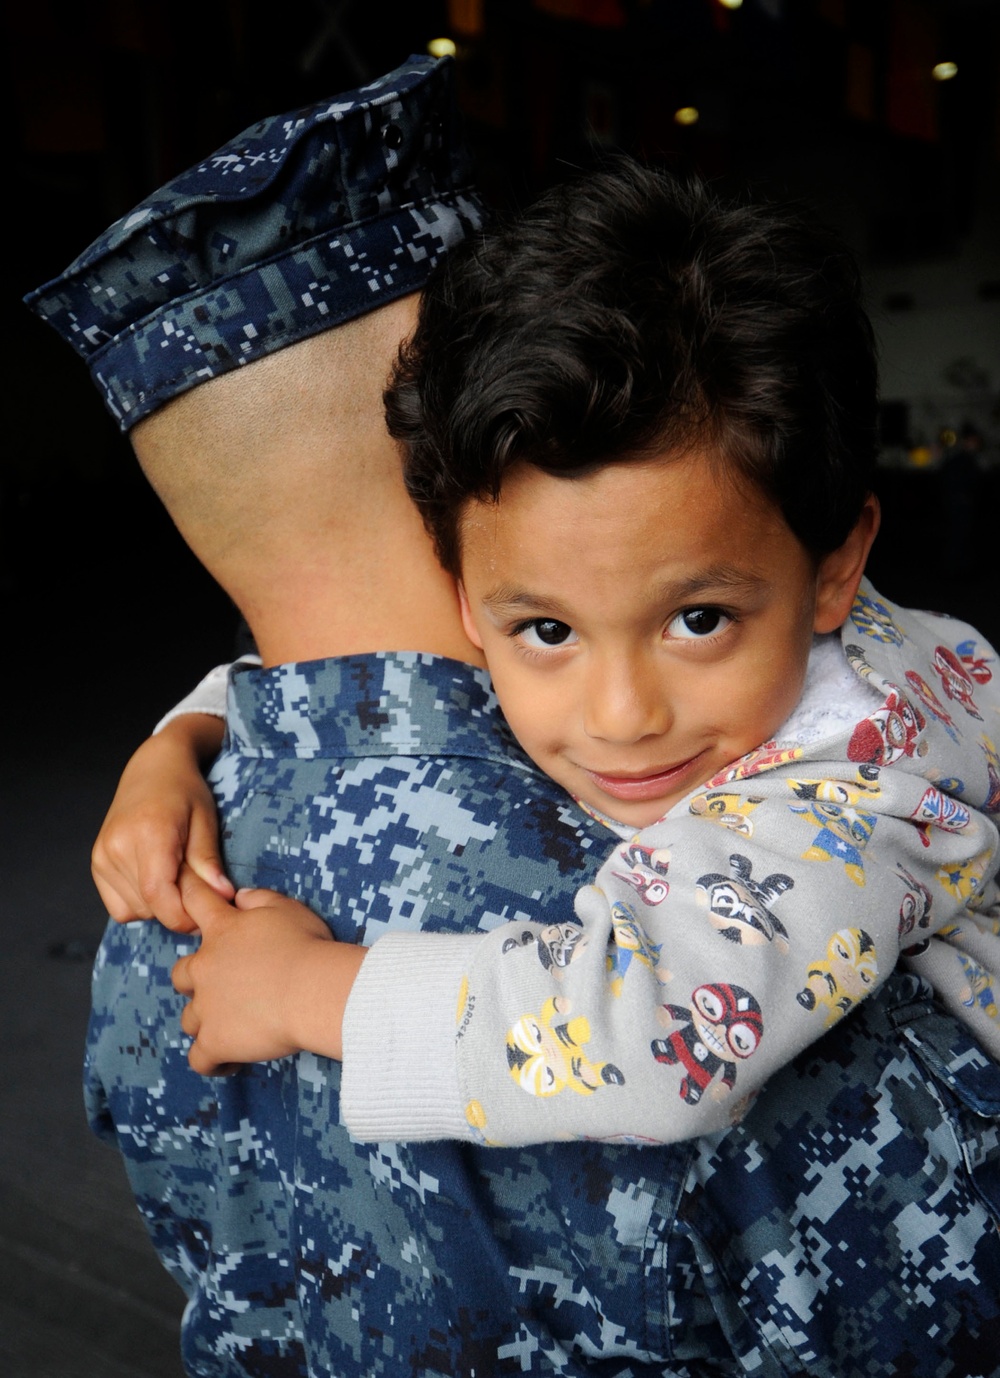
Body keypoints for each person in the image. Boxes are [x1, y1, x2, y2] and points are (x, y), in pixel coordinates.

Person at [30, 58, 999, 1378]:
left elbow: (649, 1035)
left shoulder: (161, 915)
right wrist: (182, 733)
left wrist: (317, 982)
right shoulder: (627, 680)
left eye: (696, 620)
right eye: (545, 626)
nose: (621, 712)